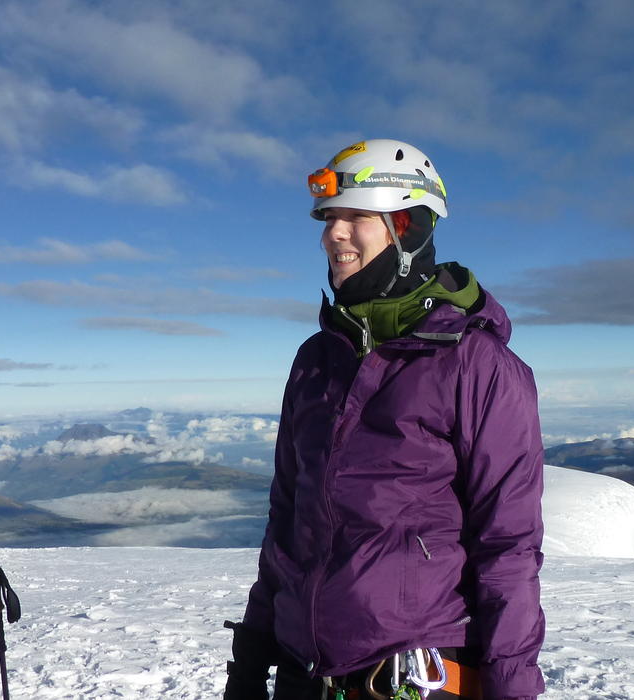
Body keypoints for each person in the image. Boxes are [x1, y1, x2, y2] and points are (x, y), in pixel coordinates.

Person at [224, 139, 546, 700]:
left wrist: (508, 690)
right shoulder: (317, 359)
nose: (332, 235)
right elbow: (286, 521)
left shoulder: (477, 365)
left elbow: (509, 546)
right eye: (328, 220)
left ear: (409, 226)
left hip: (409, 679)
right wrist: (252, 655)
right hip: (303, 674)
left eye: (353, 217)